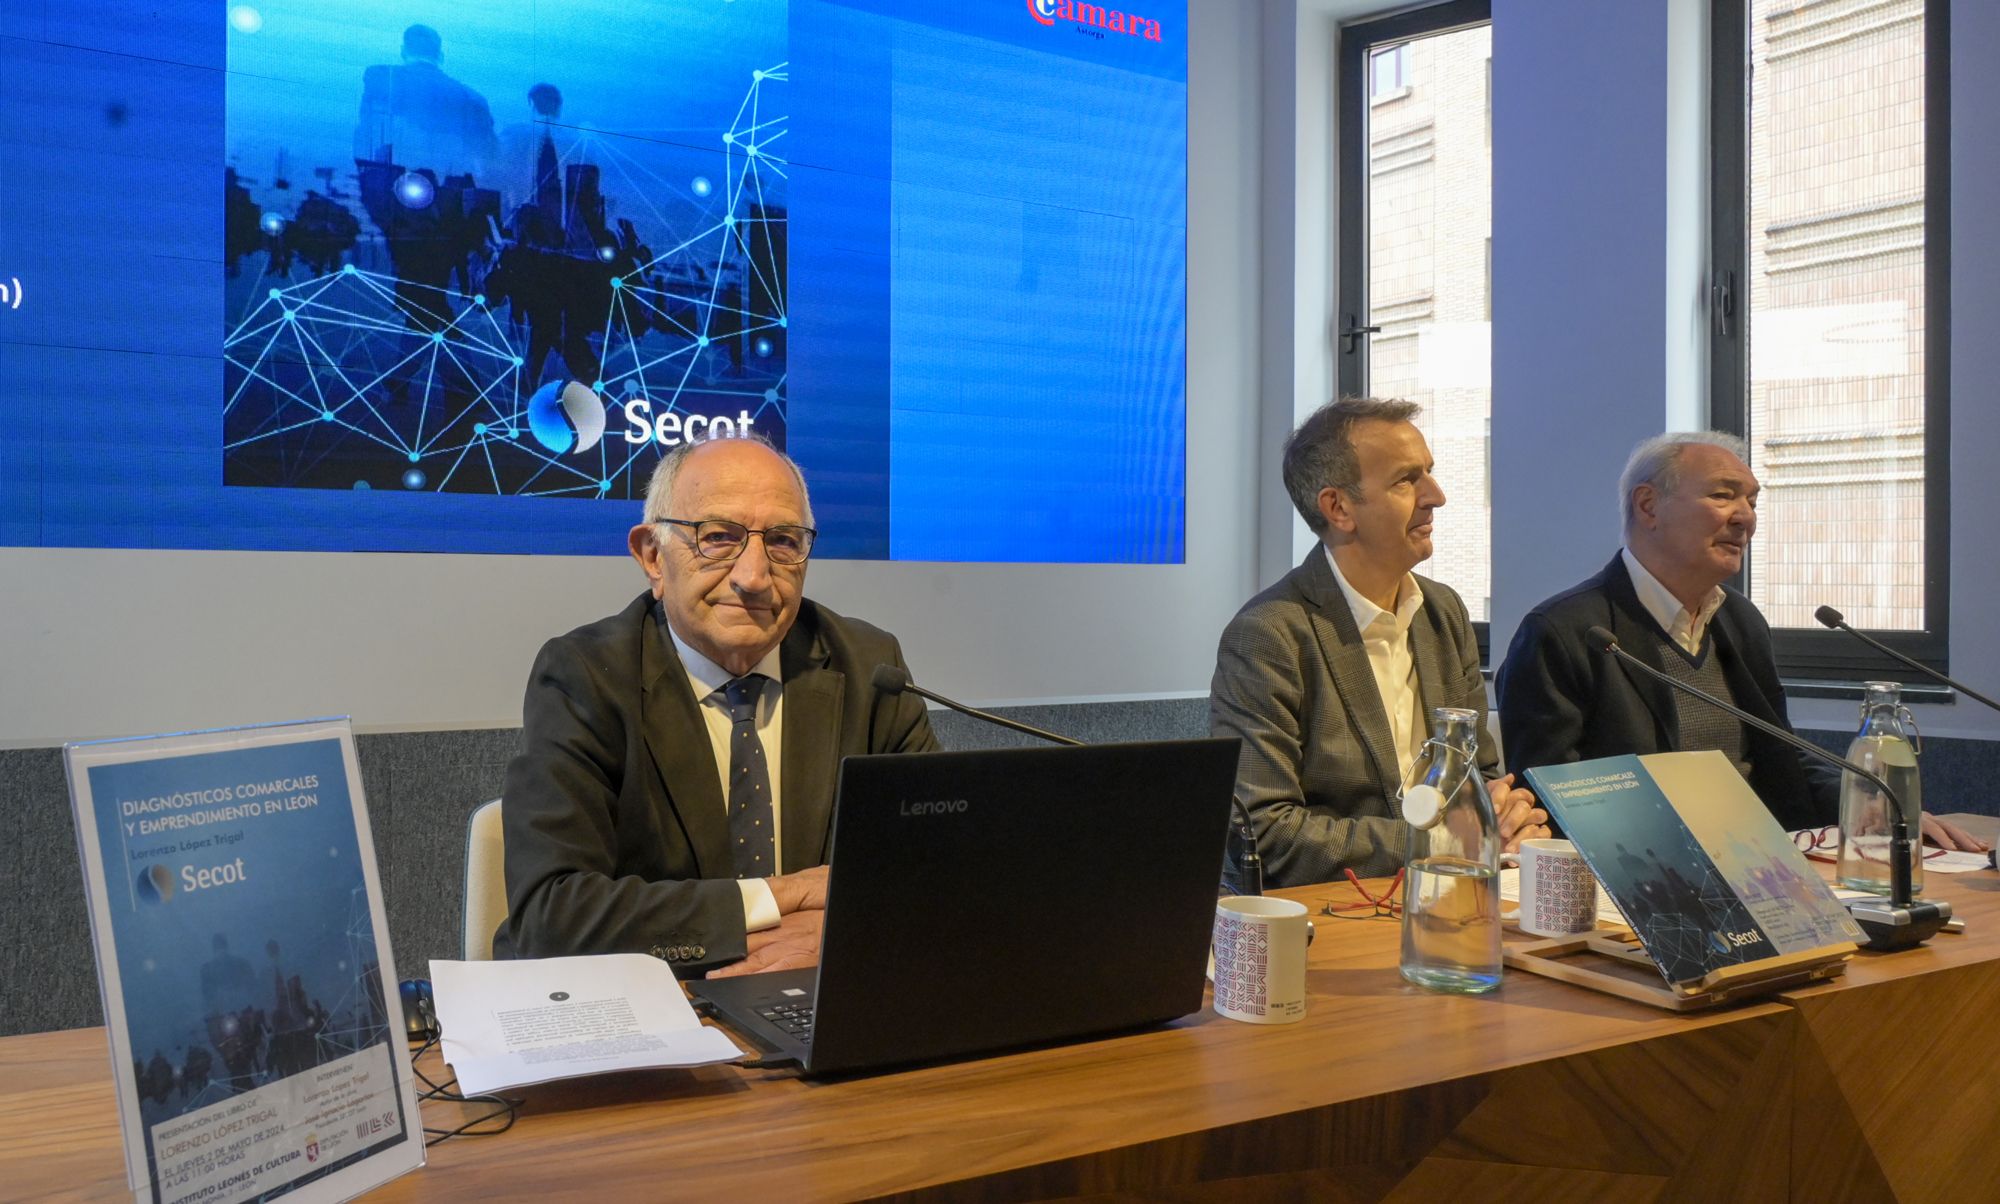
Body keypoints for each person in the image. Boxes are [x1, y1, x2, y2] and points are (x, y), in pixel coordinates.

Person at [497, 437, 938, 975]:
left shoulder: (870, 669)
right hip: (664, 1006)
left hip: (825, 989)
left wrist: (841, 935)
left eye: (782, 541)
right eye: (719, 538)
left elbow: (939, 869)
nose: (753, 576)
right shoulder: (585, 676)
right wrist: (780, 898)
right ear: (653, 557)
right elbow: (552, 916)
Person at [1496, 431, 1987, 851]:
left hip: (1762, 865)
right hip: (1644, 879)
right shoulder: (1566, 631)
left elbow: (1781, 757)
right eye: (1723, 496)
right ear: (1648, 505)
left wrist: (1872, 806)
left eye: (1752, 501)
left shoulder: (1740, 621)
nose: (1745, 517)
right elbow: (1546, 801)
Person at [1210, 397, 1549, 884]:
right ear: (1339, 507)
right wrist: (1445, 840)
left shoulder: (1444, 612)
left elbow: (1482, 778)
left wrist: (1509, 816)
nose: (1436, 495)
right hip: (1336, 916)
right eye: (1407, 480)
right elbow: (1263, 833)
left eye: (1428, 472)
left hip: (1455, 895)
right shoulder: (1270, 634)